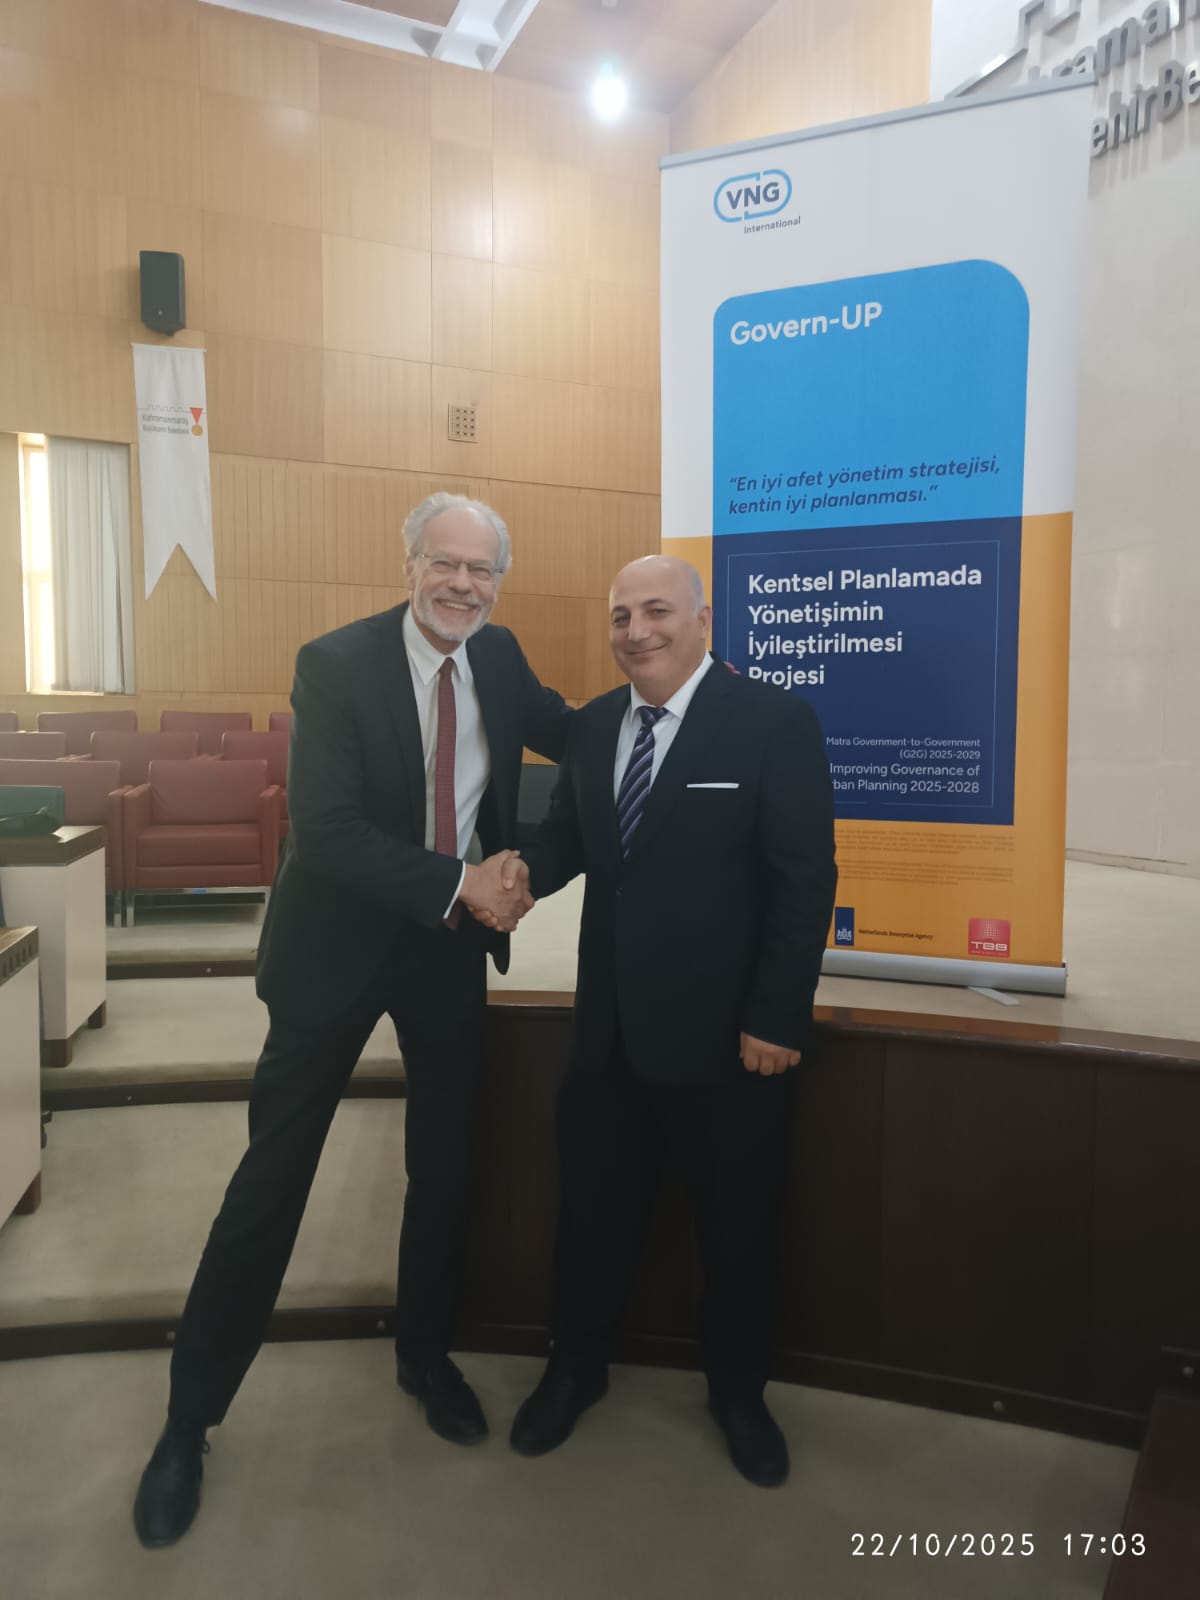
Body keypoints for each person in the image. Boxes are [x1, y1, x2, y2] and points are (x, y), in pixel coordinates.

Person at [134, 493, 567, 1548]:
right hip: (334, 951)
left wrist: (682, 693)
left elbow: (580, 733)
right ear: (410, 563)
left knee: (445, 1166)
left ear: (498, 582)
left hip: (443, 955)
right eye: (444, 562)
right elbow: (324, 832)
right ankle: (190, 1421)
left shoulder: (500, 657)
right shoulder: (335, 664)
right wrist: (463, 881)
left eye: (481, 569)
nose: (462, 584)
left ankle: (424, 1354)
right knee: (272, 1180)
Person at [502, 555, 836, 1487]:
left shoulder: (773, 721)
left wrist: (778, 1016)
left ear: (703, 621)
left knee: (737, 1229)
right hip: (607, 1035)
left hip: (730, 1042)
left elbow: (804, 880)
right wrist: (514, 875)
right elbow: (570, 839)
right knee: (592, 1218)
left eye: (656, 610)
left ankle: (739, 1394)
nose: (636, 631)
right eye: (621, 616)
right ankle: (575, 1371)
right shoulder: (594, 726)